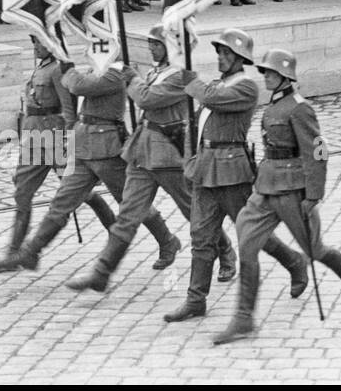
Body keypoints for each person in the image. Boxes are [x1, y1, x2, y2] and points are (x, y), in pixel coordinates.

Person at [213, 49, 341, 344]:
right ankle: (243, 319)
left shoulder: (299, 108)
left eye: (272, 73)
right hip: (265, 187)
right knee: (246, 243)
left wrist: (314, 194)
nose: (266, 77)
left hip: (292, 192)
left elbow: (319, 150)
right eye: (265, 72)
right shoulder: (273, 105)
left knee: (314, 250)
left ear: (286, 77)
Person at [64, 27, 236, 294]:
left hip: (168, 153)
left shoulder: (180, 75)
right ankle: (102, 272)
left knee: (194, 212)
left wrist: (131, 78)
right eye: (150, 43)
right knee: (128, 215)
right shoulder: (156, 72)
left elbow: (147, 99)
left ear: (171, 46)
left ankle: (226, 253)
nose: (151, 48)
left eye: (156, 44)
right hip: (142, 152)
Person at [162, 29, 308, 324]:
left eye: (227, 53)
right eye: (219, 52)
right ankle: (195, 299)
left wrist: (190, 80)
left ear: (241, 58)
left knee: (252, 233)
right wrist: (192, 160)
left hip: (232, 172)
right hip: (206, 170)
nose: (221, 57)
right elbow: (200, 124)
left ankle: (294, 262)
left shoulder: (245, 87)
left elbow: (211, 98)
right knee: (201, 236)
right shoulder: (219, 84)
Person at [0, 60, 180, 274]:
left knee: (130, 202)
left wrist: (68, 69)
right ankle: (31, 252)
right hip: (84, 146)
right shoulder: (96, 70)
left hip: (107, 149)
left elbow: (79, 86)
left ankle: (167, 240)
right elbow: (77, 88)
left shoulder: (116, 73)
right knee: (62, 201)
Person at [0, 39, 117, 275]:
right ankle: (14, 253)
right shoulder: (40, 65)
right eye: (33, 42)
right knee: (22, 192)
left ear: (51, 46)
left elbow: (69, 109)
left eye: (40, 43)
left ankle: (116, 234)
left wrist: (70, 139)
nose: (35, 46)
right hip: (33, 138)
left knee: (81, 192)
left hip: (54, 137)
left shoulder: (57, 69)